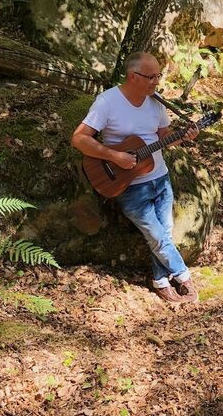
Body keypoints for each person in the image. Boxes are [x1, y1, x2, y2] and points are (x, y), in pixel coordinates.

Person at [71, 52, 199, 304]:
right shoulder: (107, 102)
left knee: (164, 232)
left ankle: (160, 282)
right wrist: (115, 156)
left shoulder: (156, 101)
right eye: (151, 77)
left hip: (161, 178)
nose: (156, 82)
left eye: (159, 75)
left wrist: (182, 136)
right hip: (128, 184)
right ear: (133, 76)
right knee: (156, 235)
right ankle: (183, 276)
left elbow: (165, 134)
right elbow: (79, 138)